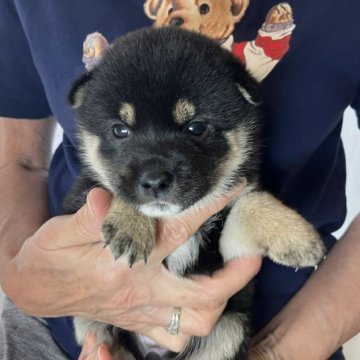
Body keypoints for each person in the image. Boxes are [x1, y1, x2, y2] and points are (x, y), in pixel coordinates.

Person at [0, 1, 359, 359]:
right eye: (121, 131)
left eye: (196, 128)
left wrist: (279, 352)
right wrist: (20, 278)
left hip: (271, 334)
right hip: (66, 337)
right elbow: (16, 161)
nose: (154, 174)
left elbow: (239, 226)